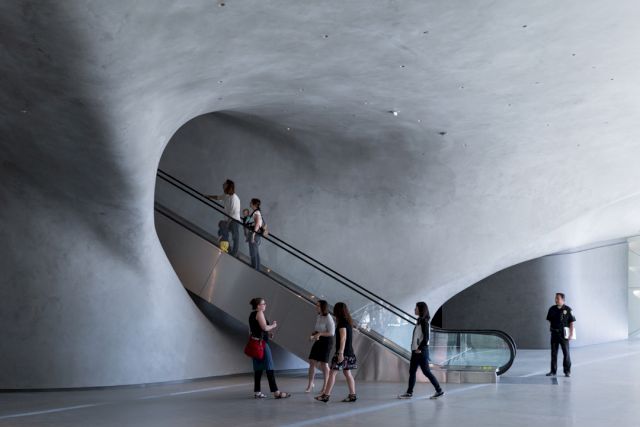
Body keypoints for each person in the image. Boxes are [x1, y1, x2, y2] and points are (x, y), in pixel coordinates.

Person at [398, 301, 444, 399]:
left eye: (416, 308)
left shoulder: (424, 322)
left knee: (426, 372)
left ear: (421, 309)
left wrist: (419, 348)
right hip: (416, 351)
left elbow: (426, 338)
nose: (415, 309)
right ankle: (409, 392)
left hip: (420, 351)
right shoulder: (420, 321)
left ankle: (439, 390)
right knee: (412, 371)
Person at [248, 297, 290, 399]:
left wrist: (267, 334)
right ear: (258, 306)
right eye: (263, 303)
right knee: (269, 366)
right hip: (262, 344)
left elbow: (256, 329)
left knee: (257, 368)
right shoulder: (259, 313)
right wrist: (273, 325)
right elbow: (264, 327)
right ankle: (276, 392)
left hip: (254, 343)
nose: (265, 305)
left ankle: (257, 392)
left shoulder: (251, 314)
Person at [315, 302, 357, 403]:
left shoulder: (342, 323)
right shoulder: (348, 322)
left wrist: (340, 353)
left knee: (332, 373)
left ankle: (326, 395)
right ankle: (352, 395)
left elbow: (343, 338)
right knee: (347, 373)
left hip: (343, 353)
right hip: (349, 352)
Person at [305, 300, 335, 394]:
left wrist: (320, 334)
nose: (316, 307)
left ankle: (325, 386)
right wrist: (313, 335)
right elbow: (317, 330)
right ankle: (310, 384)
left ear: (323, 307)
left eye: (318, 305)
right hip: (319, 340)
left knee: (324, 364)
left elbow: (331, 333)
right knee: (312, 361)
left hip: (327, 341)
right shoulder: (319, 316)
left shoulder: (328, 317)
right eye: (316, 305)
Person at [206, 179, 241, 257]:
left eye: (225, 184)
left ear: (228, 186)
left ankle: (233, 254)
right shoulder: (226, 196)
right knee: (221, 225)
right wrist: (209, 197)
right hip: (228, 219)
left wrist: (227, 223)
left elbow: (233, 213)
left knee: (235, 237)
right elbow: (218, 197)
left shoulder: (234, 198)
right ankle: (226, 247)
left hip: (234, 220)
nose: (223, 185)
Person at [546, 292, 576, 377]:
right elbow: (549, 320)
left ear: (563, 300)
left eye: (558, 298)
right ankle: (553, 371)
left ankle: (567, 371)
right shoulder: (552, 309)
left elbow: (571, 323)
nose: (556, 300)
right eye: (555, 298)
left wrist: (571, 334)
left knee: (566, 353)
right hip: (554, 334)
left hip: (564, 335)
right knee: (553, 353)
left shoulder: (568, 309)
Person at [246, 198, 263, 271]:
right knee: (255, 252)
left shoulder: (256, 213)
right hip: (255, 234)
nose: (250, 203)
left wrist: (253, 235)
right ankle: (257, 268)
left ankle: (254, 268)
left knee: (253, 251)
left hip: (254, 234)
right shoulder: (256, 212)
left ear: (254, 204)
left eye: (251, 202)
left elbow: (257, 224)